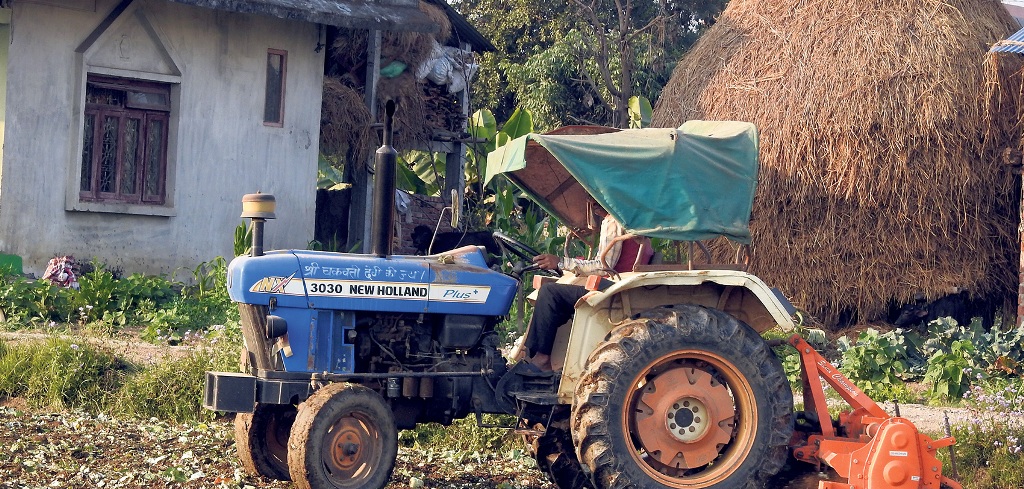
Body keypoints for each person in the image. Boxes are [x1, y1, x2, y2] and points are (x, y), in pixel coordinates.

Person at [524, 207, 629, 371]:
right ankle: (535, 356)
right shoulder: (619, 219)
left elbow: (603, 266)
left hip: (613, 287)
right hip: (615, 282)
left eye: (592, 198)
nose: (590, 205)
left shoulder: (613, 221)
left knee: (549, 293)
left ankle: (542, 359)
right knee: (555, 294)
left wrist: (561, 262)